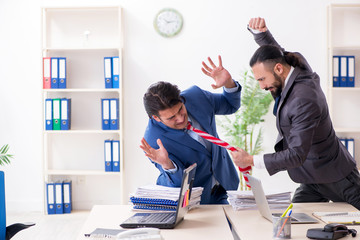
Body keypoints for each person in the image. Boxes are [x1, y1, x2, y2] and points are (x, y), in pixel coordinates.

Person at [231, 17, 360, 210]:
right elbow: (278, 55)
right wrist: (262, 35)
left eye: (262, 79)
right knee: (289, 222)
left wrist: (251, 160)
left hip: (338, 177)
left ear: (278, 70)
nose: (262, 86)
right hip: (311, 177)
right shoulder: (295, 68)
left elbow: (296, 154)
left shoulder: (304, 99)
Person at [140, 56, 241, 204]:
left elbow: (229, 105)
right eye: (171, 118)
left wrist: (229, 84)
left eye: (181, 110)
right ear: (156, 118)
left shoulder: (196, 97)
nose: (180, 119)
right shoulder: (153, 140)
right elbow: (179, 184)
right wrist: (167, 164)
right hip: (194, 200)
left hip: (225, 186)